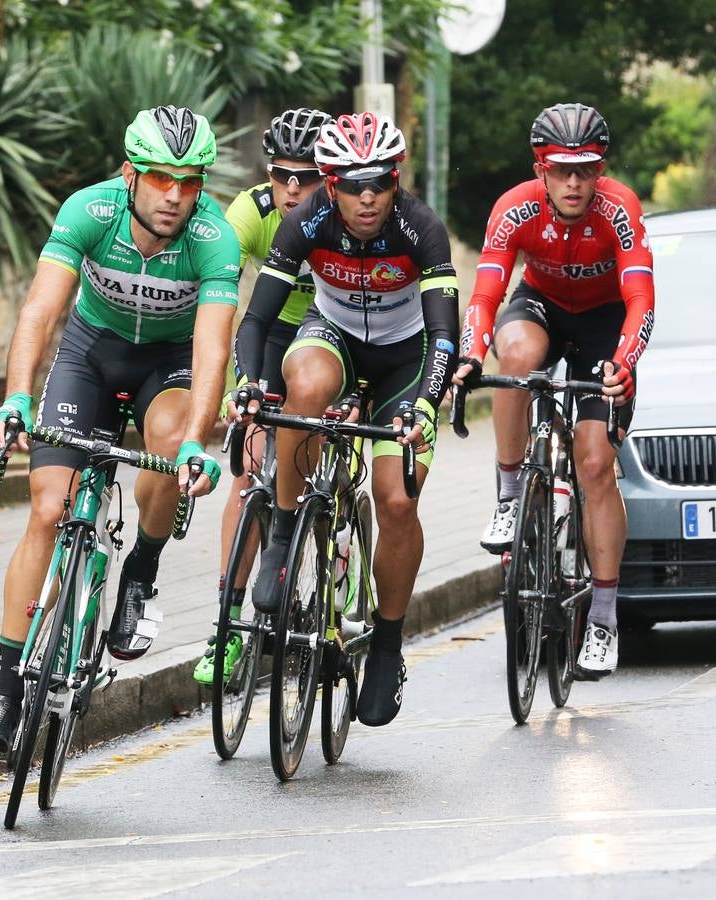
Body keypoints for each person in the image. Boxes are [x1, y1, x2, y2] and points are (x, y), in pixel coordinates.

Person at [0, 106, 237, 754]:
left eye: (190, 181)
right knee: (47, 509)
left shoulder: (212, 236)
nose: (175, 195)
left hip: (167, 366)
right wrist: (17, 400)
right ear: (129, 174)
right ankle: (4, 690)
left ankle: (140, 570)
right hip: (92, 355)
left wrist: (199, 438)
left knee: (170, 447)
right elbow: (40, 309)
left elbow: (211, 352)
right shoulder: (91, 211)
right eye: (160, 178)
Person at [234, 112, 458, 726]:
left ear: (396, 181)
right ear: (329, 185)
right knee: (301, 384)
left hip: (404, 360)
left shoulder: (422, 230)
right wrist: (251, 383)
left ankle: (387, 642)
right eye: (353, 184)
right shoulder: (305, 223)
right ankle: (283, 535)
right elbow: (256, 321)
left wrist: (425, 406)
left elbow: (444, 335)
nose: (367, 198)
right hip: (331, 335)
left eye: (379, 184)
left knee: (396, 502)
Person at [453, 102, 655, 678]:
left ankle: (604, 618)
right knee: (515, 357)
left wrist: (623, 361)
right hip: (540, 305)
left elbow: (641, 298)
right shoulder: (515, 209)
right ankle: (511, 494)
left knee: (594, 467)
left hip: (603, 324)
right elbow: (487, 293)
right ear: (540, 168)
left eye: (586, 169)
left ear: (601, 169)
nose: (574, 181)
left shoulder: (620, 210)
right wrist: (471, 353)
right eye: (561, 169)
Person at [194, 107, 333, 687]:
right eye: (282, 175)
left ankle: (328, 611)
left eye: (306, 176)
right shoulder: (249, 211)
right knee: (250, 469)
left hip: (331, 331)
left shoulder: (345, 211)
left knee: (323, 469)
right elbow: (224, 296)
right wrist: (238, 385)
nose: (293, 189)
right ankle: (226, 627)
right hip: (273, 329)